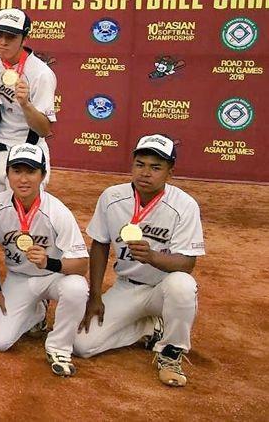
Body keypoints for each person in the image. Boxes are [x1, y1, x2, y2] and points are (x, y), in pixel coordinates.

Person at [74, 135, 205, 388]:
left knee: (183, 285)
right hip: (127, 286)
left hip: (163, 290)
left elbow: (187, 264)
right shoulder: (112, 197)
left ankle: (170, 353)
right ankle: (148, 329)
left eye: (156, 167)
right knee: (82, 345)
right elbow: (100, 244)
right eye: (140, 164)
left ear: (170, 172)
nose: (146, 173)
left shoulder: (185, 205)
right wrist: (95, 296)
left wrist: (153, 257)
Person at [0, 144, 89, 377]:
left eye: (31, 171)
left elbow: (81, 264)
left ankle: (59, 347)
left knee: (77, 287)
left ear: (43, 175)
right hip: (19, 278)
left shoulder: (57, 211)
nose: (23, 179)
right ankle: (37, 312)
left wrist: (50, 263)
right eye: (16, 171)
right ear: (7, 174)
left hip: (54, 278)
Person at [0, 8, 57, 210]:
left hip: (25, 156)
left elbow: (45, 129)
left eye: (10, 36)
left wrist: (26, 104)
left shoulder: (40, 74)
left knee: (20, 220)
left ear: (24, 38)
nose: (2, 41)